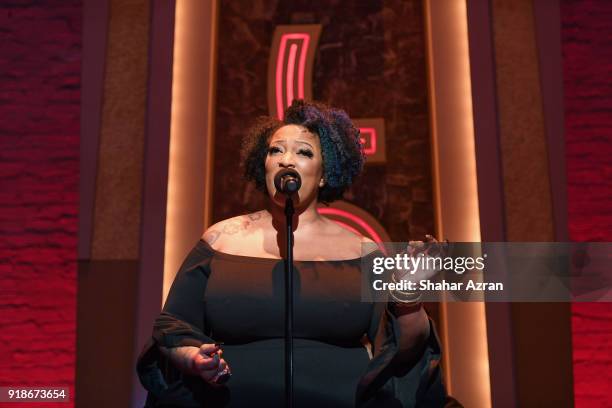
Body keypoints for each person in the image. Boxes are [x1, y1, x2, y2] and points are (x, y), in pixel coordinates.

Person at [136, 100, 450, 407]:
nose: (287, 159)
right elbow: (172, 327)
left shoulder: (362, 251)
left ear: (324, 175)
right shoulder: (220, 240)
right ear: (264, 164)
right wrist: (192, 358)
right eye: (276, 150)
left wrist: (408, 294)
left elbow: (402, 351)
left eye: (303, 152)